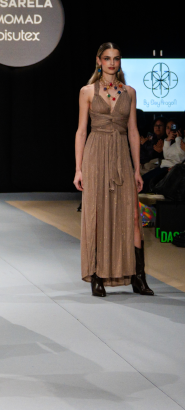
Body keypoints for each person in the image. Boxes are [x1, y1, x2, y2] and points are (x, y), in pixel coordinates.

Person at [74, 42, 153, 297]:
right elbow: (81, 131)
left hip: (121, 155)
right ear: (99, 60)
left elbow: (133, 131)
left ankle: (138, 277)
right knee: (96, 215)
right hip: (95, 154)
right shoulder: (87, 91)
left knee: (132, 216)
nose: (111, 63)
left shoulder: (129, 92)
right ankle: (97, 275)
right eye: (107, 58)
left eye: (116, 58)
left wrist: (137, 169)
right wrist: (78, 169)